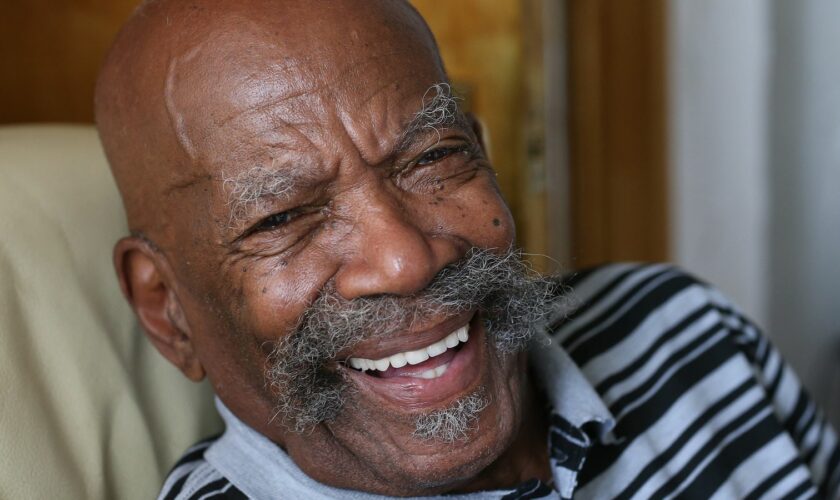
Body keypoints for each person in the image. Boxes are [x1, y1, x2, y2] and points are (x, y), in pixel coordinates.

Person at [94, 0, 840, 498]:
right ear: (166, 311)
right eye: (284, 216)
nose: (406, 259)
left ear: (483, 158)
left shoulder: (681, 326)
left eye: (432, 159)